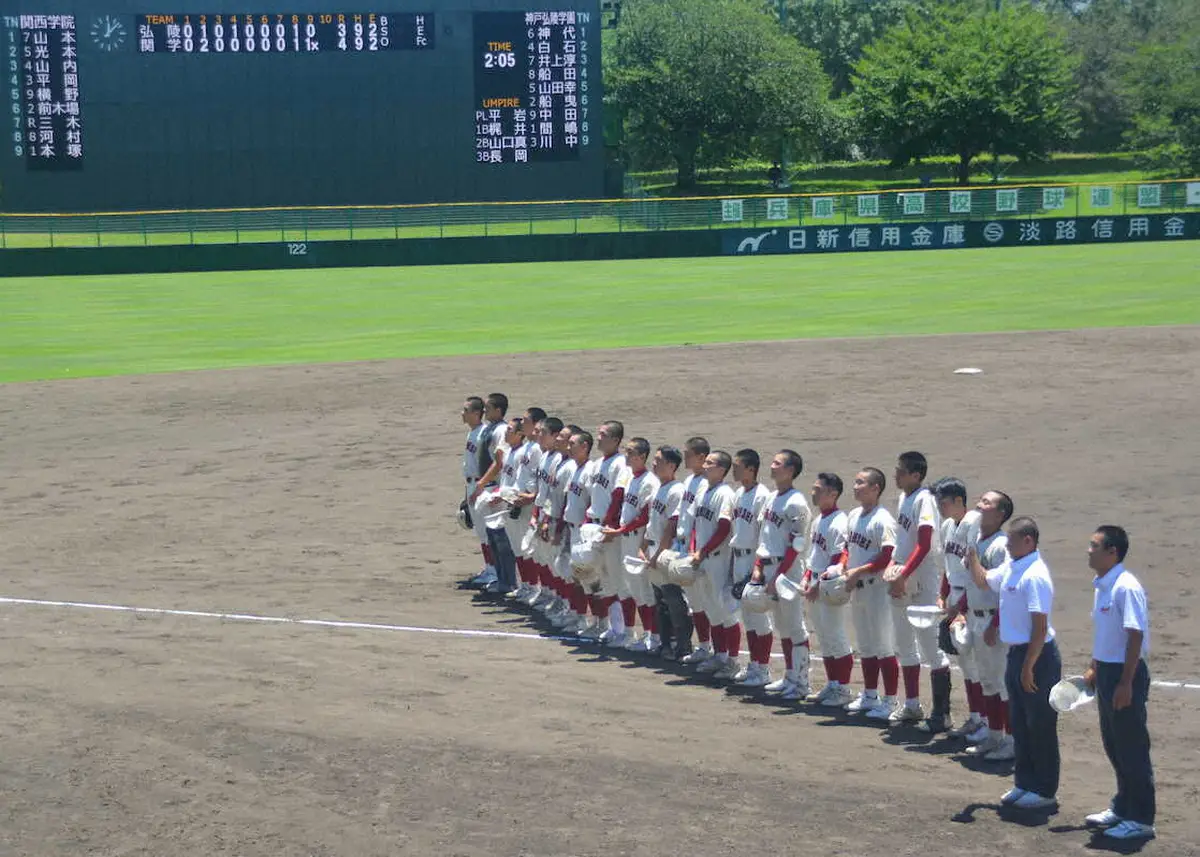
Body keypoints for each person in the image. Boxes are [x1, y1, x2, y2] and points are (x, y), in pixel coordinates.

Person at [968, 515, 1061, 811]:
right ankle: (1024, 783)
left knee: (1040, 725)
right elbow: (984, 580)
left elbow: (1039, 625)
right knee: (1020, 723)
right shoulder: (1012, 566)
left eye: (1011, 540)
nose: (1006, 544)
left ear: (1028, 541)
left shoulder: (1035, 575)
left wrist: (1028, 666)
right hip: (1018, 654)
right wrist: (971, 558)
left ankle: (1044, 790)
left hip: (1038, 656)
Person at [1081, 525, 1156, 841]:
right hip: (1108, 672)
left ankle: (1140, 819)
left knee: (1131, 747)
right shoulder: (1102, 585)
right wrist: (1094, 666)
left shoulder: (1126, 586)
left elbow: (1135, 635)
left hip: (1126, 674)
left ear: (1112, 551)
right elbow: (1106, 634)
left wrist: (1126, 683)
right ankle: (1123, 807)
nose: (1088, 550)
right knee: (1114, 745)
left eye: (1094, 545)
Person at [887, 451, 951, 729]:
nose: (896, 475)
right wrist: (893, 567)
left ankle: (942, 714)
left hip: (922, 577)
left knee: (930, 645)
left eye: (901, 471)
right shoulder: (904, 498)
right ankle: (912, 705)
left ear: (916, 475)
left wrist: (904, 573)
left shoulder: (925, 500)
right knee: (904, 643)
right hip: (903, 573)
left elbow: (924, 544)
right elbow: (903, 541)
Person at [836, 468, 900, 719]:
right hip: (858, 589)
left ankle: (891, 700)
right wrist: (843, 565)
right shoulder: (853, 515)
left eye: (861, 483)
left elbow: (887, 556)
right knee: (866, 646)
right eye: (856, 481)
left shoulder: (883, 520)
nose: (855, 486)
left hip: (877, 590)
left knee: (884, 647)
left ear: (876, 488)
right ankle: (871, 695)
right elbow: (847, 547)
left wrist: (858, 571)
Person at [748, 450, 812, 696]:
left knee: (795, 627)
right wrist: (759, 567)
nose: (772, 466)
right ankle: (790, 676)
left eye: (777, 463)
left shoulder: (796, 502)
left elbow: (796, 546)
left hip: (788, 571)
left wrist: (779, 576)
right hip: (770, 567)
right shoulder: (772, 497)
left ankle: (802, 682)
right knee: (782, 627)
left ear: (790, 470)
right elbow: (764, 537)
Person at [603, 437, 661, 652]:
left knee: (644, 592)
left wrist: (619, 530)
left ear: (641, 457)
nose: (626, 455)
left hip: (638, 541)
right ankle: (631, 632)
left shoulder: (649, 481)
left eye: (630, 452)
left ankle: (652, 637)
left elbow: (645, 516)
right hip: (626, 540)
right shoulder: (631, 478)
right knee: (630, 589)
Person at [803, 472, 853, 706]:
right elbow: (814, 555)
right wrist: (806, 578)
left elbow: (838, 558)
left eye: (818, 489)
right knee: (824, 637)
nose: (813, 492)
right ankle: (832, 684)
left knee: (836, 638)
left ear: (832, 494)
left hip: (829, 587)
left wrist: (817, 585)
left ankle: (843, 689)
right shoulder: (818, 519)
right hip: (814, 583)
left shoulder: (839, 522)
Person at [689, 451, 738, 679]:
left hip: (718, 559)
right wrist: (694, 548)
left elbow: (724, 528)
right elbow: (696, 525)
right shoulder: (703, 490)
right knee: (710, 608)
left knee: (723, 609)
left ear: (721, 469)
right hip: (702, 557)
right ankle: (719, 655)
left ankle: (732, 661)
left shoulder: (725, 494)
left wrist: (704, 550)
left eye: (710, 463)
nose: (705, 465)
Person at [641, 445, 688, 660]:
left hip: (666, 553)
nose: (653, 463)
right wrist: (643, 546)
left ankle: (681, 645)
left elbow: (672, 525)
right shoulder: (660, 488)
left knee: (673, 601)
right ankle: (665, 643)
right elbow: (653, 522)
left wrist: (659, 554)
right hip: (654, 549)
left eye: (658, 460)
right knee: (659, 600)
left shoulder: (676, 490)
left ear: (671, 465)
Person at [728, 449, 771, 685]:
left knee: (759, 617)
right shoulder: (739, 494)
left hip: (754, 561)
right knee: (748, 617)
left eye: (737, 465)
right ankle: (754, 665)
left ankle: (763, 669)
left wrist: (758, 567)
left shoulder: (761, 495)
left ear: (751, 469)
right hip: (738, 558)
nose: (733, 469)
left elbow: (764, 536)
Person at [675, 437, 712, 665]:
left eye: (688, 454)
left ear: (701, 457)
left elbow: (700, 521)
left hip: (697, 549)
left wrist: (693, 548)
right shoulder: (689, 481)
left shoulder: (706, 484)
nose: (684, 457)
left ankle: (711, 647)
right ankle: (703, 645)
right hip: (684, 544)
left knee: (704, 601)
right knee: (693, 603)